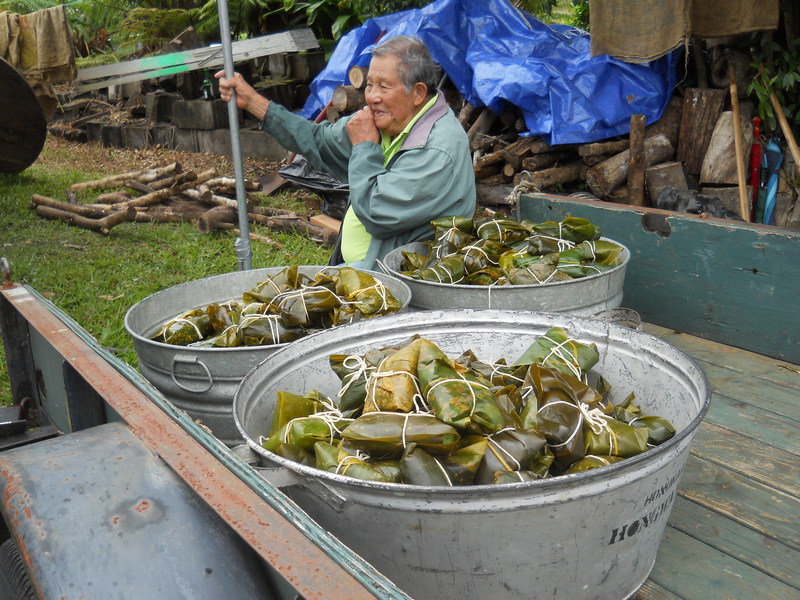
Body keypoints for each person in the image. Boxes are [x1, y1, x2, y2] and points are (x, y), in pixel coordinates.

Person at [217, 35, 476, 269]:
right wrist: (253, 102)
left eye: (384, 87)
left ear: (418, 92)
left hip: (405, 278)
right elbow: (317, 139)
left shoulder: (437, 149)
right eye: (370, 85)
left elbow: (377, 213)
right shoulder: (391, 120)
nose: (372, 97)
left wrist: (364, 147)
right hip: (367, 267)